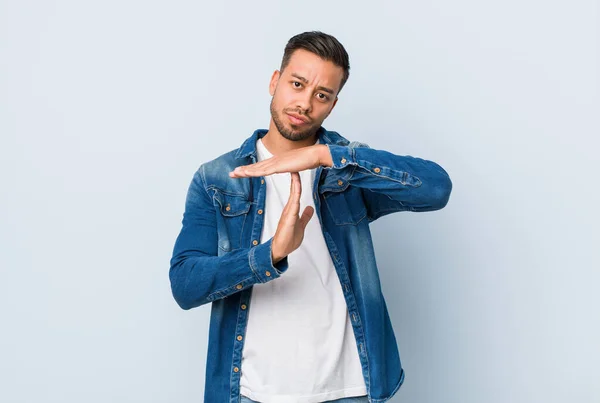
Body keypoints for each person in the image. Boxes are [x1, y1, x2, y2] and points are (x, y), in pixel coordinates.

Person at [169, 31, 452, 403]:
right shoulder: (219, 178)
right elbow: (185, 285)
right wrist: (268, 255)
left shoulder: (349, 171)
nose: (304, 103)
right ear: (275, 81)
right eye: (297, 84)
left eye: (321, 95)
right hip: (251, 392)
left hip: (350, 389)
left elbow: (435, 189)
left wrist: (325, 157)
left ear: (333, 104)